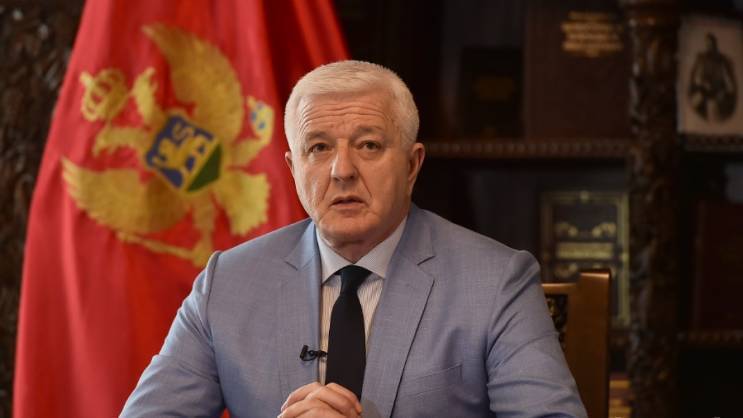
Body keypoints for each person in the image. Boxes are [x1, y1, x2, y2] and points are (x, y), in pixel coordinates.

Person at [121, 60, 586, 417]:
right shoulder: (228, 283)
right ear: (293, 169)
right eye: (319, 148)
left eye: (368, 145)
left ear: (412, 165)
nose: (341, 170)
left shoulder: (497, 281)